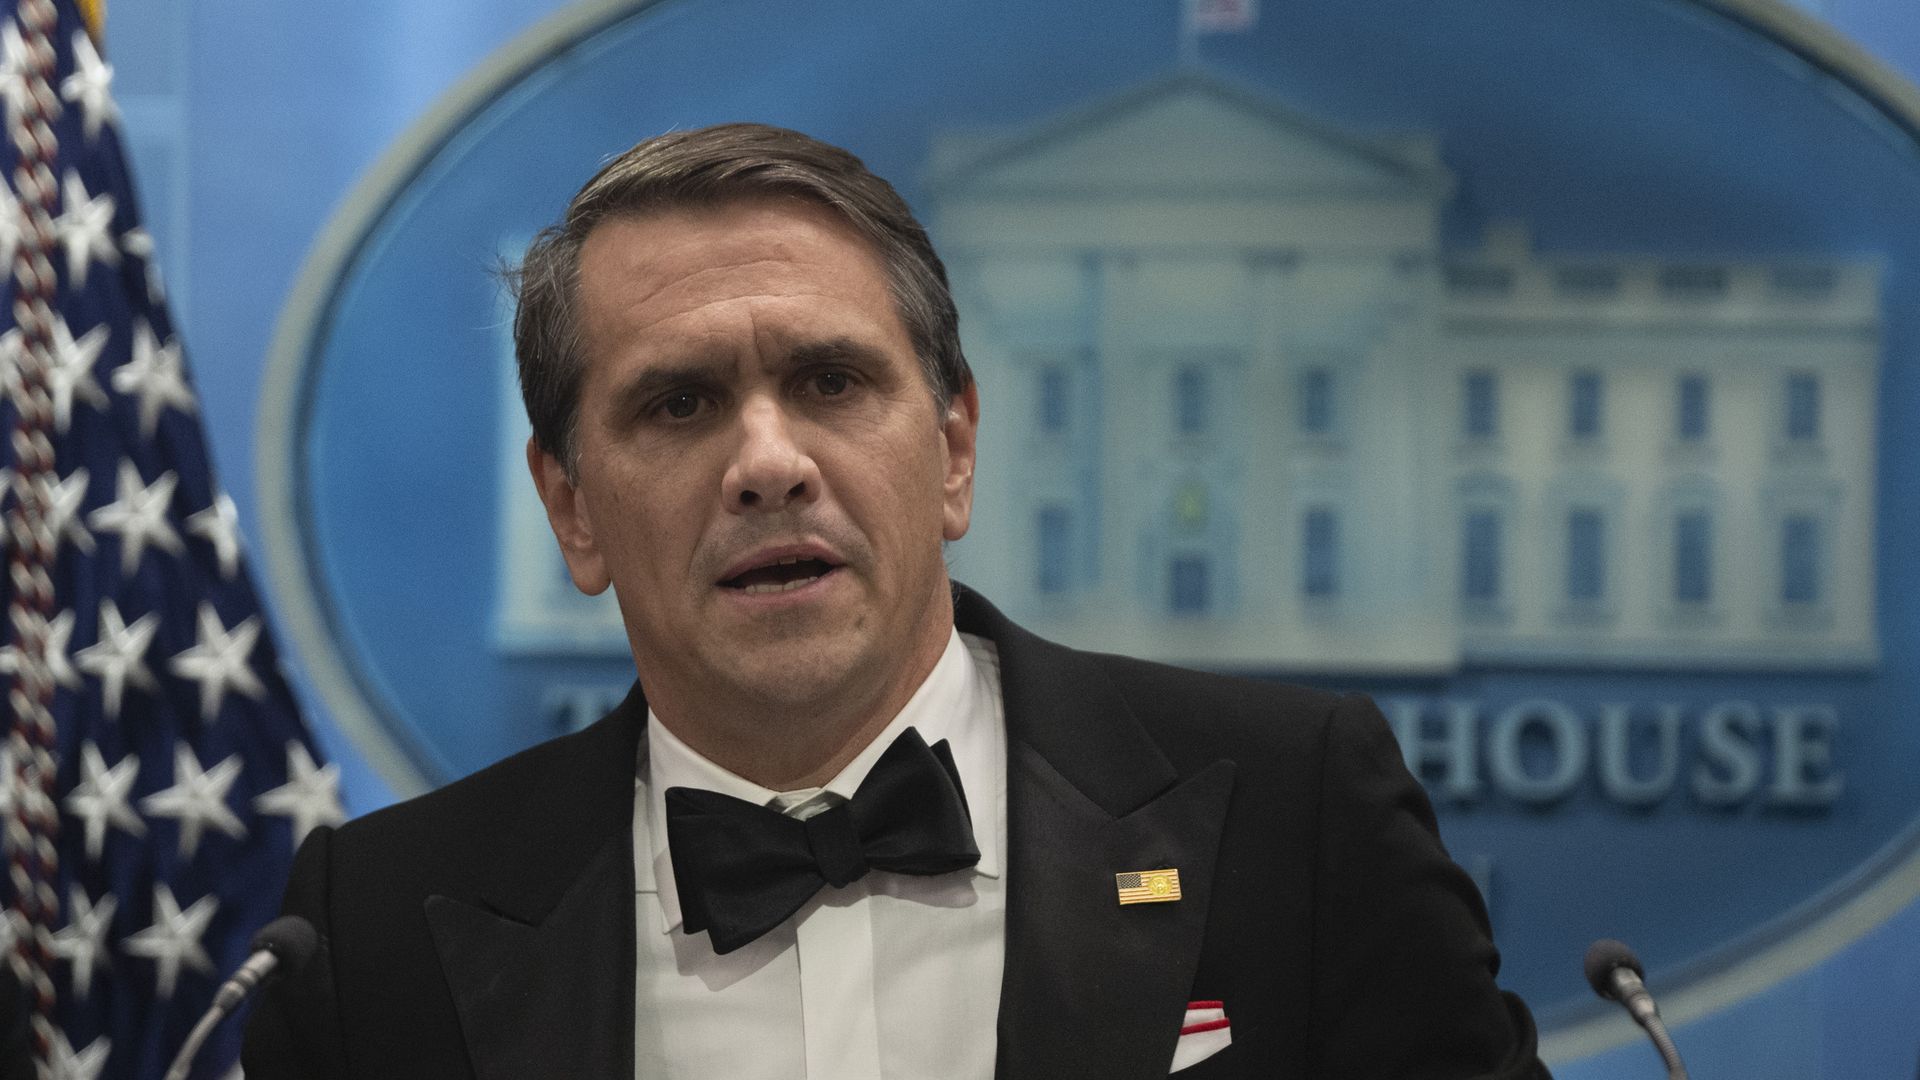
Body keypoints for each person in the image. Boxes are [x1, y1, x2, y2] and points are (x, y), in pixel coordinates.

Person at [243, 123, 1548, 1079]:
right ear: (572, 505)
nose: (768, 464)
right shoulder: (373, 935)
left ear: (956, 451)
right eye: (678, 403)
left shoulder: (1297, 820)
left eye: (832, 381)